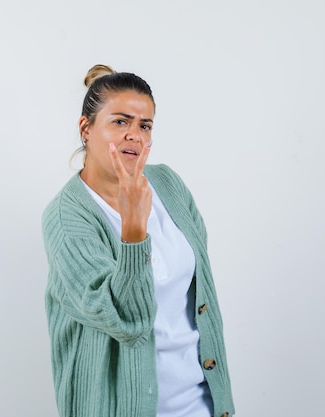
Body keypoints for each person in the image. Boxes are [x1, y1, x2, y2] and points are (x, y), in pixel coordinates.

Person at [42, 64, 235, 417]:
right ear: (86, 128)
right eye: (120, 121)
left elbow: (199, 289)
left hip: (200, 404)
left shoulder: (168, 185)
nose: (134, 134)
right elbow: (127, 322)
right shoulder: (66, 218)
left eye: (144, 125)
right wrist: (133, 230)